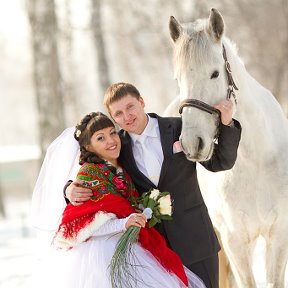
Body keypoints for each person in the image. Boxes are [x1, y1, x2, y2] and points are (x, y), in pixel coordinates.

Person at [65, 83, 242, 288]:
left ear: (141, 102)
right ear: (114, 118)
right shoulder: (117, 146)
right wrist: (68, 188)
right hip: (155, 251)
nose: (127, 116)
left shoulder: (179, 127)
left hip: (196, 240)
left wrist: (227, 124)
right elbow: (93, 169)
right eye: (119, 113)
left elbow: (220, 162)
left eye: (130, 107)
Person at [32, 112, 206, 288]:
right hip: (102, 256)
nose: (111, 141)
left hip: (133, 247)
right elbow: (88, 226)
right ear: (88, 146)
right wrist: (123, 224)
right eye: (101, 138)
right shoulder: (90, 173)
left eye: (112, 133)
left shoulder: (122, 166)